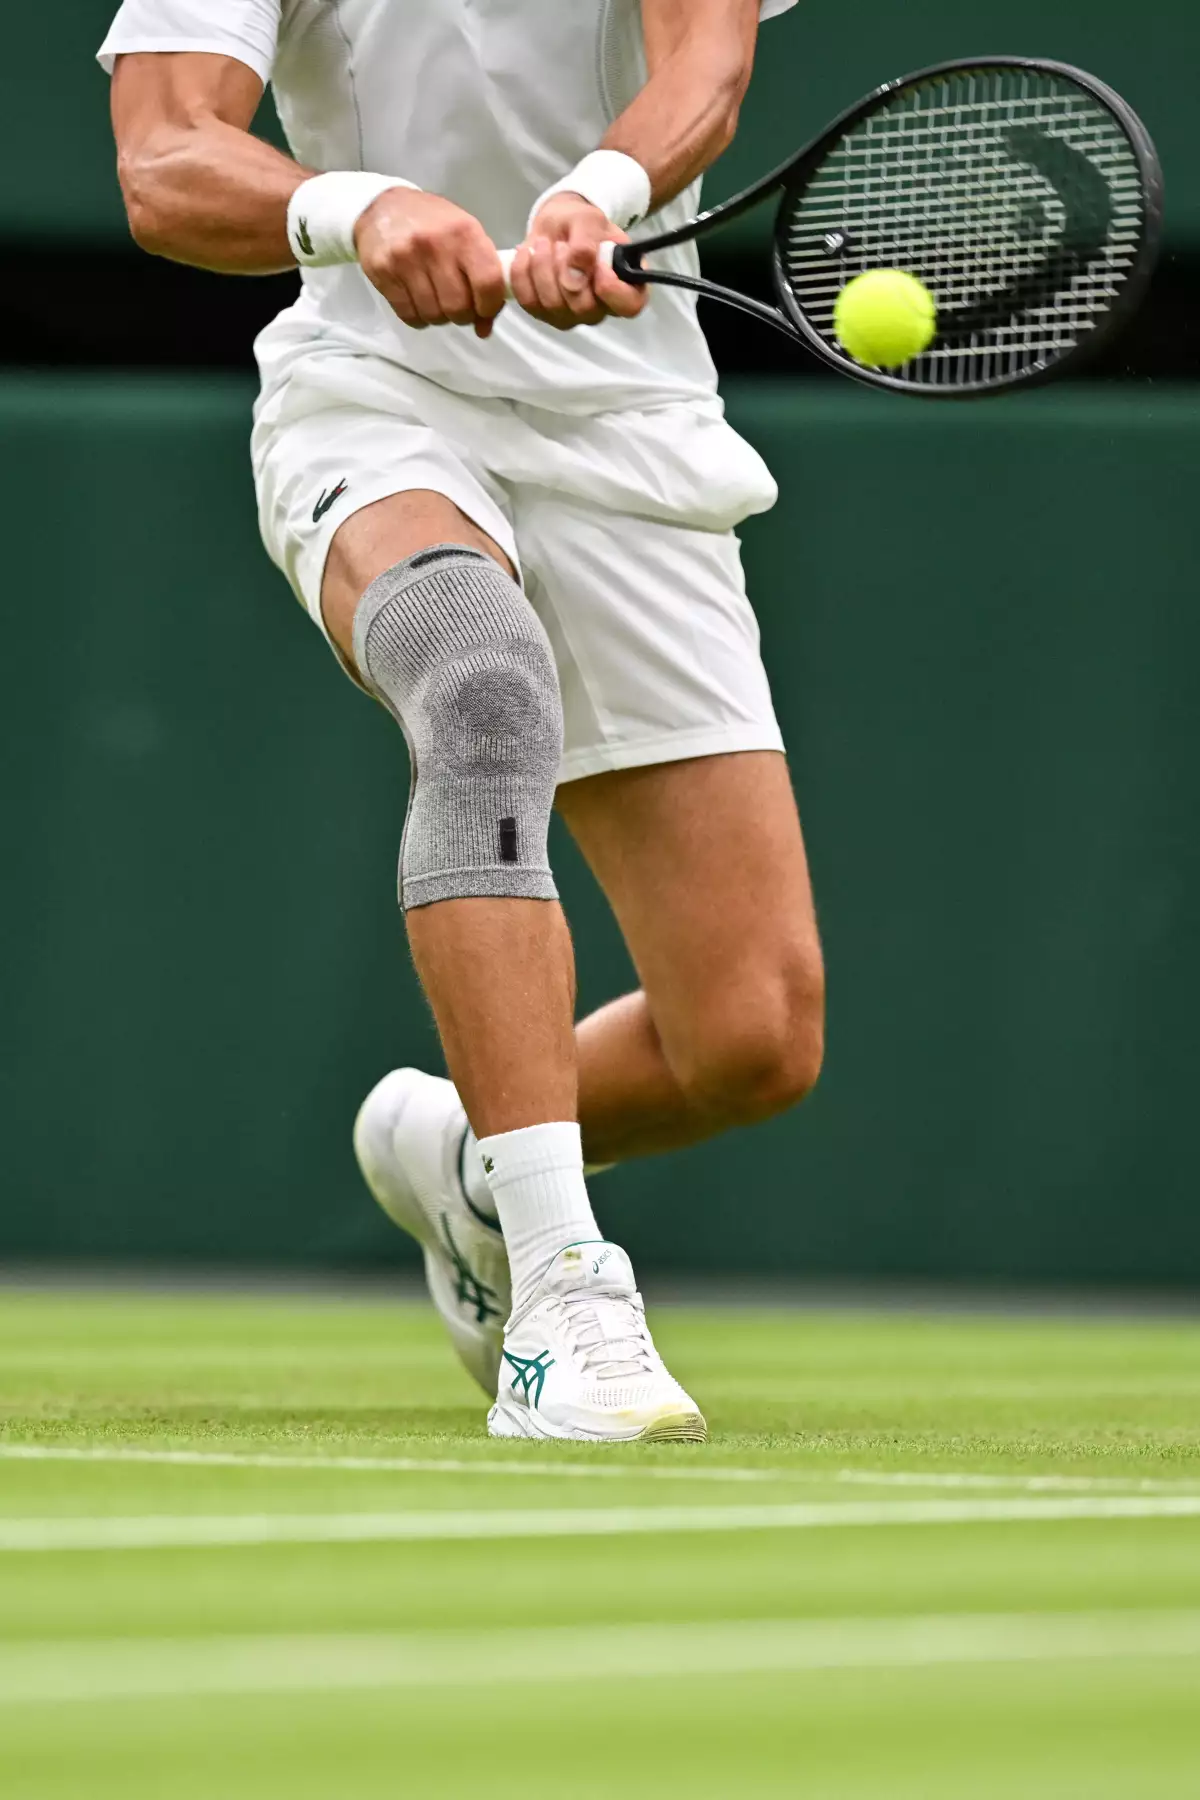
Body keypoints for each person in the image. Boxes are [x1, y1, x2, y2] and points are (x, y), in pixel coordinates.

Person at [101, 0, 825, 1443]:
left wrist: (598, 194)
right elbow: (165, 155)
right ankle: (561, 1296)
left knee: (748, 1039)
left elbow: (707, 57)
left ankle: (466, 1155)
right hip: (378, 398)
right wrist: (355, 208)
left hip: (636, 437)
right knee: (481, 685)